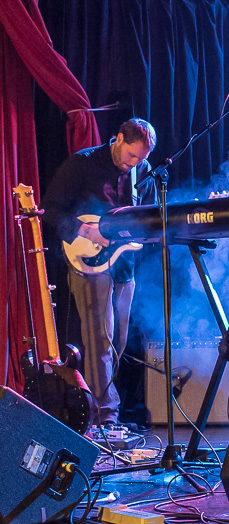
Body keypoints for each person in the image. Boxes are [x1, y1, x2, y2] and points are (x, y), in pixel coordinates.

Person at [41, 118, 157, 426]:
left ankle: (102, 408)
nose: (133, 164)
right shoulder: (83, 163)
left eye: (140, 159)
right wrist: (85, 230)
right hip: (87, 260)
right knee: (98, 339)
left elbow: (147, 218)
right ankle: (104, 416)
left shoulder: (143, 171)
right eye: (131, 155)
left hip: (124, 264)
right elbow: (50, 207)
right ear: (118, 139)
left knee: (117, 342)